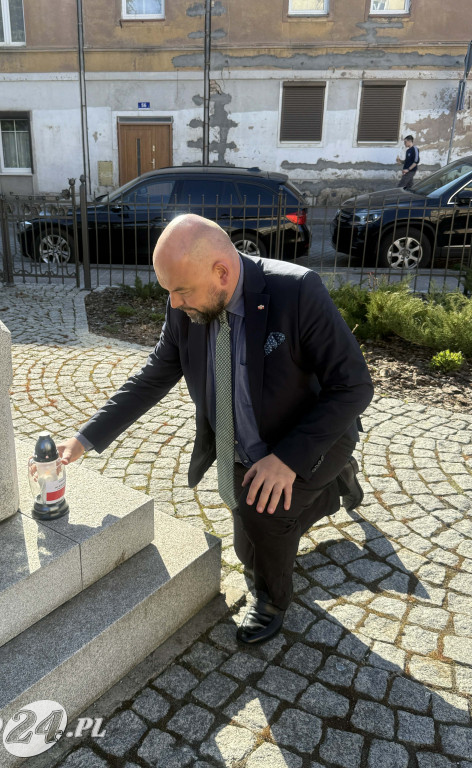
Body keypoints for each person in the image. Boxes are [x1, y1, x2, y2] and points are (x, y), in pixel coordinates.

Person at [58, 214, 374, 645]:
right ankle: (332, 487)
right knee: (249, 538)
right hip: (243, 445)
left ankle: (271, 599)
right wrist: (84, 438)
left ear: (221, 273)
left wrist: (285, 461)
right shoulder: (188, 307)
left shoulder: (297, 291)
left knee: (263, 515)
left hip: (307, 436)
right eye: (167, 291)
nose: (172, 303)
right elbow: (152, 376)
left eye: (180, 290)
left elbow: (354, 385)